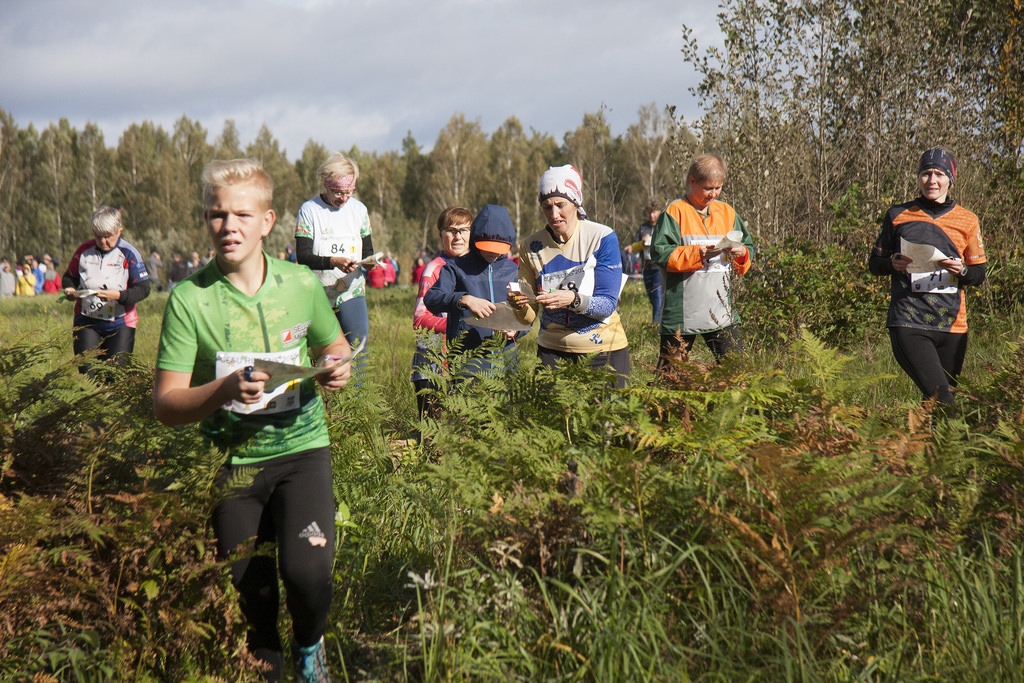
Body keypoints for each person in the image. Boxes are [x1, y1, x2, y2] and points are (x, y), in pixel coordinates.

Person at [153, 158, 352, 682]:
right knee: (253, 598)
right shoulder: (188, 300)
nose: (229, 227)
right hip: (233, 466)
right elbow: (165, 404)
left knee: (308, 575)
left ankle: (311, 648)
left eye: (242, 214)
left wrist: (336, 367)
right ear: (206, 220)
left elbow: (334, 345)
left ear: (267, 221)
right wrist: (222, 390)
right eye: (218, 215)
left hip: (302, 452)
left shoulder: (301, 284)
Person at [868, 147, 986, 409]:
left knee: (935, 404)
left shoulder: (967, 220)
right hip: (909, 320)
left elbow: (979, 274)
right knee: (943, 400)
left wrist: (962, 271)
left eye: (939, 174)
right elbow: (874, 264)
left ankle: (927, 449)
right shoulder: (898, 215)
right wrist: (892, 264)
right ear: (918, 177)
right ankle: (956, 444)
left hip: (953, 326)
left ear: (950, 179)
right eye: (926, 173)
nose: (932, 180)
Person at [509, 165, 630, 388]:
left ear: (575, 202)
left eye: (560, 205)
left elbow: (607, 305)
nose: (554, 214)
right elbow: (528, 317)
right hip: (552, 352)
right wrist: (518, 304)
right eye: (546, 207)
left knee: (607, 423)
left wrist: (572, 299)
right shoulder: (530, 246)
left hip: (604, 350)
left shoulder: (602, 237)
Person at [651, 153, 754, 366]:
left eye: (718, 188)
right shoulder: (674, 212)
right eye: (708, 188)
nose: (713, 194)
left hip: (721, 313)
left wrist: (741, 253)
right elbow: (660, 253)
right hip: (681, 315)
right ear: (692, 181)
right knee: (671, 380)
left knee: (739, 372)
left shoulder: (728, 213)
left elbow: (748, 249)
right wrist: (698, 254)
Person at [295, 151, 374, 386]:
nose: (344, 198)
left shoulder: (359, 210)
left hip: (352, 290)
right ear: (326, 185)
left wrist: (369, 263)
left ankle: (358, 405)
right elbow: (304, 255)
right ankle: (324, 401)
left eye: (349, 192)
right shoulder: (309, 210)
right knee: (324, 353)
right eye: (338, 192)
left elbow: (368, 251)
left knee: (358, 347)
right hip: (318, 292)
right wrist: (334, 261)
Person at [424, 204, 522, 378]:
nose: (492, 253)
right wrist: (464, 299)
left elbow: (525, 313)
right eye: (487, 247)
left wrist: (516, 330)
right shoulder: (456, 268)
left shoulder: (513, 271)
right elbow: (432, 299)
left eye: (498, 249)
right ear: (475, 239)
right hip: (467, 366)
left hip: (506, 366)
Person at [61, 207, 152, 369]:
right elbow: (69, 277)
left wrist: (118, 296)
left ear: (119, 231)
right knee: (87, 376)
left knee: (115, 376)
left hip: (120, 323)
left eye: (108, 236)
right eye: (98, 236)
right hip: (86, 322)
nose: (103, 241)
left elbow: (143, 288)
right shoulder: (83, 251)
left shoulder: (129, 253)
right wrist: (69, 289)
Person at [411, 207, 472, 418]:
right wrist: (459, 326)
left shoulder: (477, 269)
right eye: (451, 230)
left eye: (463, 230)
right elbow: (420, 319)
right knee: (433, 437)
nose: (458, 236)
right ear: (441, 235)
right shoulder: (434, 269)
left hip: (466, 363)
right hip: (433, 366)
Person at [624, 200, 665, 324]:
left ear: (659, 212)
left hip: (659, 267)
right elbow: (634, 247)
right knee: (652, 299)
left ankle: (656, 327)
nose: (652, 215)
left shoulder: (663, 226)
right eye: (649, 213)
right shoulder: (643, 228)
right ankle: (658, 323)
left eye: (654, 212)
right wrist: (641, 243)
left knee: (658, 298)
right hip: (647, 268)